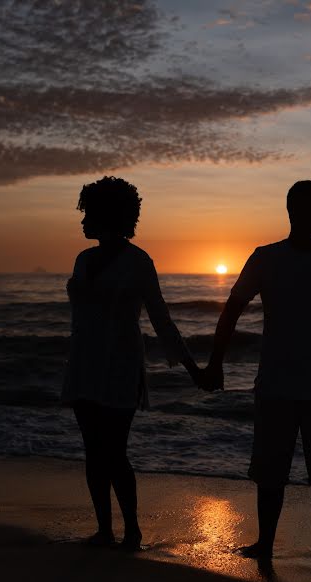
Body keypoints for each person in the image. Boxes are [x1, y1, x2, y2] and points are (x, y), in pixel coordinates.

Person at [200, 180, 311, 568]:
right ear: (301, 212)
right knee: (272, 470)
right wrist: (215, 362)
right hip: (282, 384)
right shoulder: (266, 258)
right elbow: (231, 310)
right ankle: (268, 543)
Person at [62, 176, 201, 551]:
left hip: (120, 365)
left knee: (114, 451)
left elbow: (160, 318)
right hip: (84, 364)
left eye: (88, 212)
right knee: (93, 451)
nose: (82, 221)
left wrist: (192, 368)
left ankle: (133, 531)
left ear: (108, 214)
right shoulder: (84, 259)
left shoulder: (138, 262)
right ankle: (104, 529)